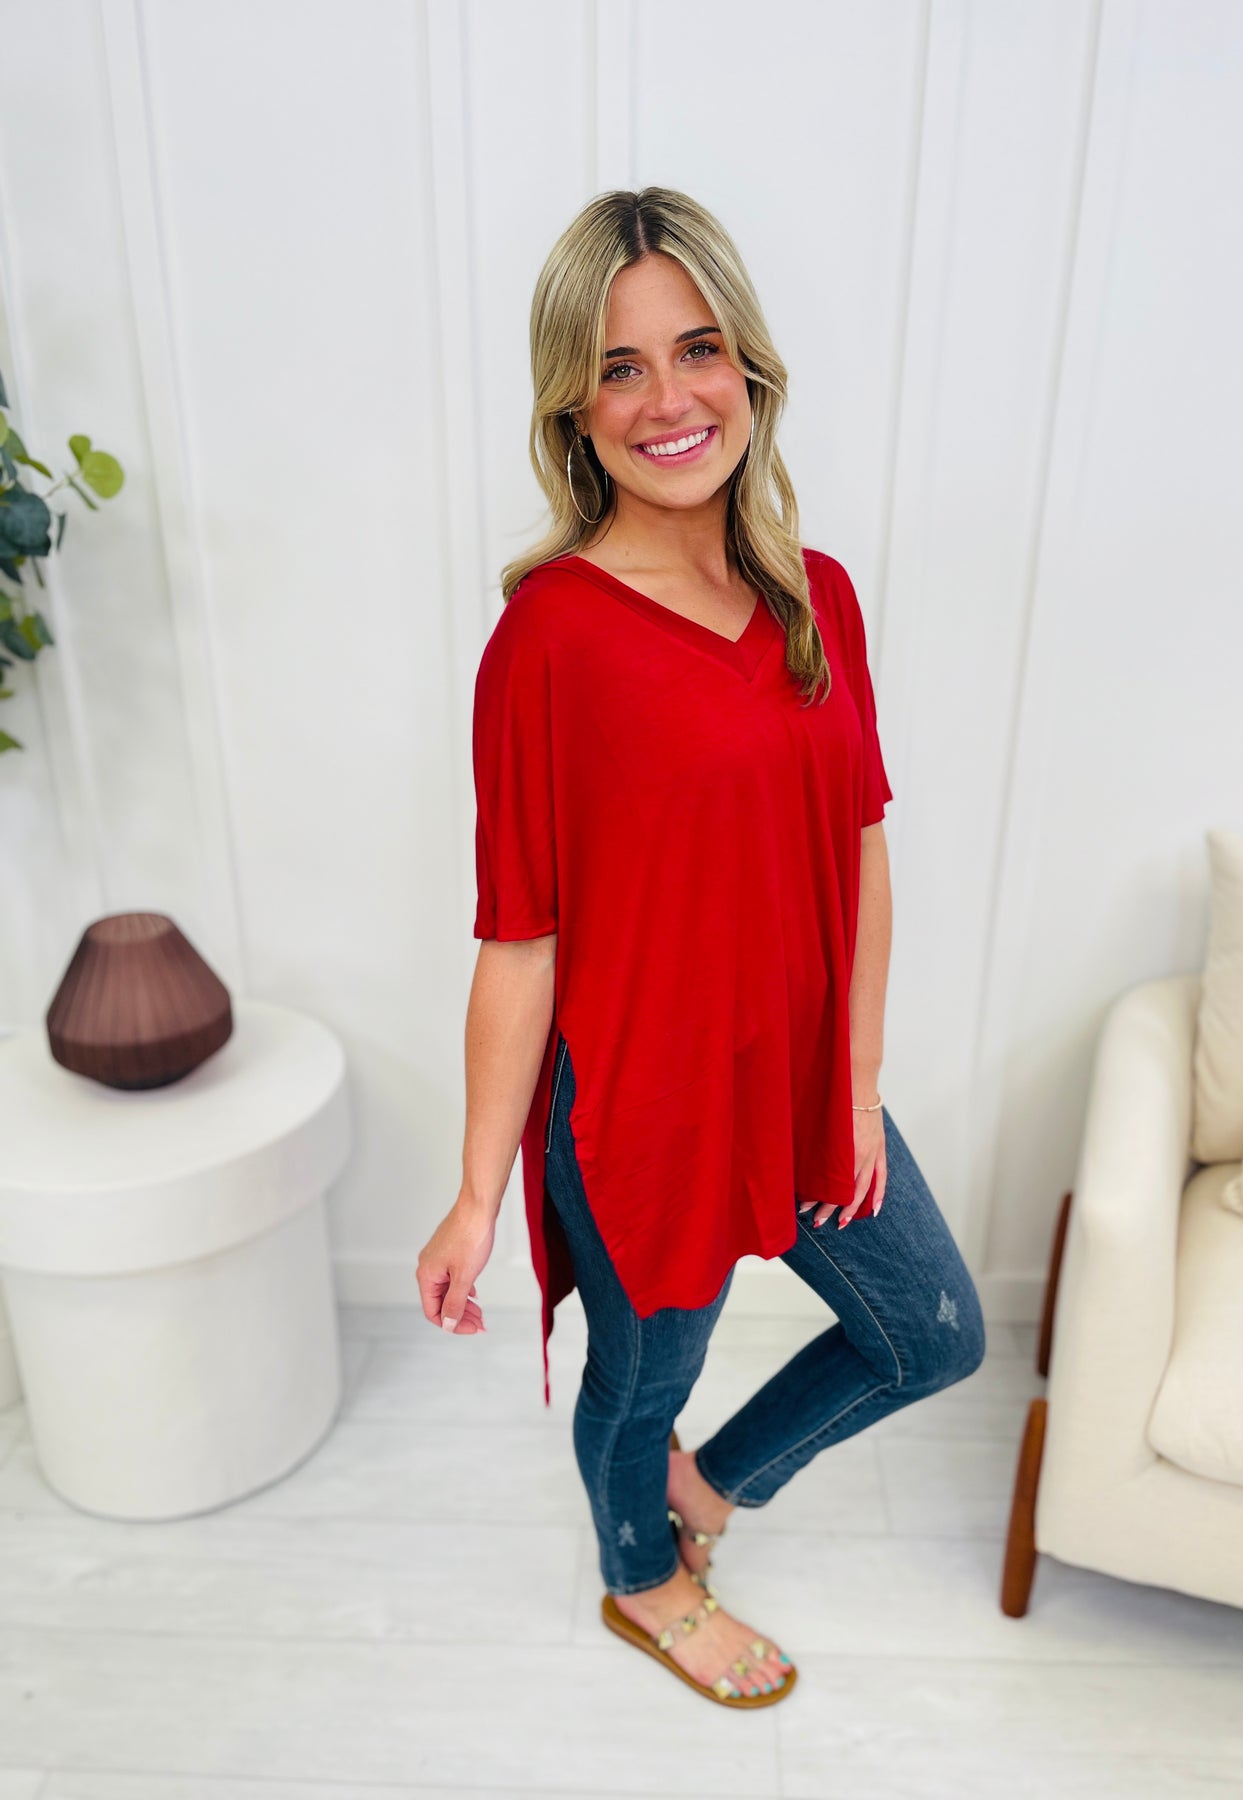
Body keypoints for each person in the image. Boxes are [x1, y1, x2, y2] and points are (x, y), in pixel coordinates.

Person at [417, 188, 986, 1709]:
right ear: (573, 405)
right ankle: (642, 1579)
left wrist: (852, 1087)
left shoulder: (816, 597)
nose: (668, 399)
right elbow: (520, 941)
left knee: (931, 1331)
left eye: (697, 350)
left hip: (799, 1081)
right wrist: (476, 1191)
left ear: (748, 368)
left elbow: (860, 853)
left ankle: (706, 1489)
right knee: (640, 1375)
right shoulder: (548, 641)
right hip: (645, 1114)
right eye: (619, 367)